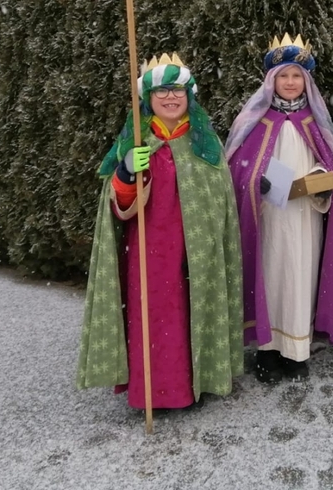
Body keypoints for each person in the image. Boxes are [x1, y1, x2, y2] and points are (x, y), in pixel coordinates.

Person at [77, 53, 244, 409]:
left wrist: (209, 238)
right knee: (156, 319)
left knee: (194, 313)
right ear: (148, 99)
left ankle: (198, 383)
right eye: (162, 91)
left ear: (189, 96)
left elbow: (221, 203)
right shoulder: (137, 143)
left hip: (197, 251)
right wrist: (126, 172)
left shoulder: (205, 145)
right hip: (149, 251)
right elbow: (118, 206)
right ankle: (156, 392)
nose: (171, 98)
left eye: (177, 90)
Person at [225, 34, 333, 384]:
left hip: (305, 216)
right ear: (272, 80)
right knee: (268, 277)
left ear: (306, 81)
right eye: (283, 75)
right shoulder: (253, 121)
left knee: (301, 276)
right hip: (266, 218)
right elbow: (236, 169)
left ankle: (296, 351)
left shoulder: (316, 123)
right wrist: (255, 182)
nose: (290, 82)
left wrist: (321, 181)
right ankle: (267, 350)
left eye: (297, 76)